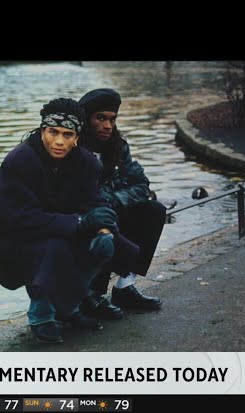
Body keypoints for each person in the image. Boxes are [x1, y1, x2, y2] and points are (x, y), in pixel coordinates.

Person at [0, 98, 139, 343]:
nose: (59, 141)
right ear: (42, 131)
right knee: (55, 247)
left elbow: (95, 200)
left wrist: (104, 226)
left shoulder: (85, 161)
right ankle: (41, 316)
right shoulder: (20, 159)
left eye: (67, 134)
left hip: (61, 227)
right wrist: (80, 222)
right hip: (14, 236)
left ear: (76, 138)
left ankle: (69, 307)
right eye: (53, 132)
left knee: (105, 243)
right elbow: (22, 218)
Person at [77, 88, 166, 320]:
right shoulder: (73, 147)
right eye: (100, 118)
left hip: (111, 208)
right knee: (104, 218)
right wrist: (109, 198)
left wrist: (114, 198)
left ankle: (124, 287)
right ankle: (90, 294)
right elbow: (82, 195)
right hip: (83, 218)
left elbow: (141, 186)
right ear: (86, 119)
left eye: (112, 119)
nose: (108, 126)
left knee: (154, 211)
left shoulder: (118, 146)